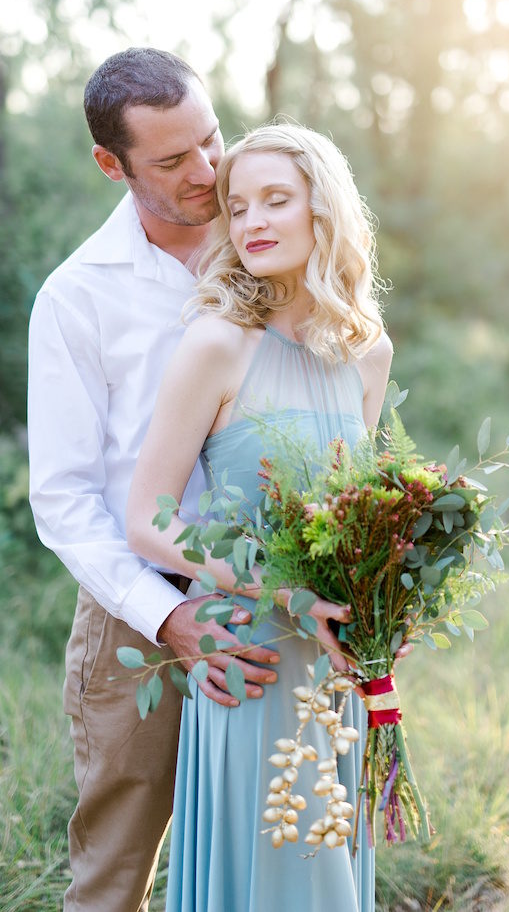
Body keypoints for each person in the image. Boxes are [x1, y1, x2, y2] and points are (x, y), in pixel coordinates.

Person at [27, 48, 281, 912]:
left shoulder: (272, 248)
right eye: (172, 161)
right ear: (112, 164)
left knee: (274, 839)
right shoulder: (77, 298)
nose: (208, 171)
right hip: (136, 611)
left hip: (275, 594)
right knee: (116, 872)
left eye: (211, 139)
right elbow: (63, 500)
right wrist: (170, 617)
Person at [126, 122, 393, 912]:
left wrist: (384, 608)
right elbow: (148, 521)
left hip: (336, 669)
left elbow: (355, 520)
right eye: (237, 208)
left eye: (276, 200)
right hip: (253, 659)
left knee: (328, 866)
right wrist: (281, 590)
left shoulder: (366, 350)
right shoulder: (216, 345)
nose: (252, 223)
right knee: (284, 876)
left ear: (325, 209)